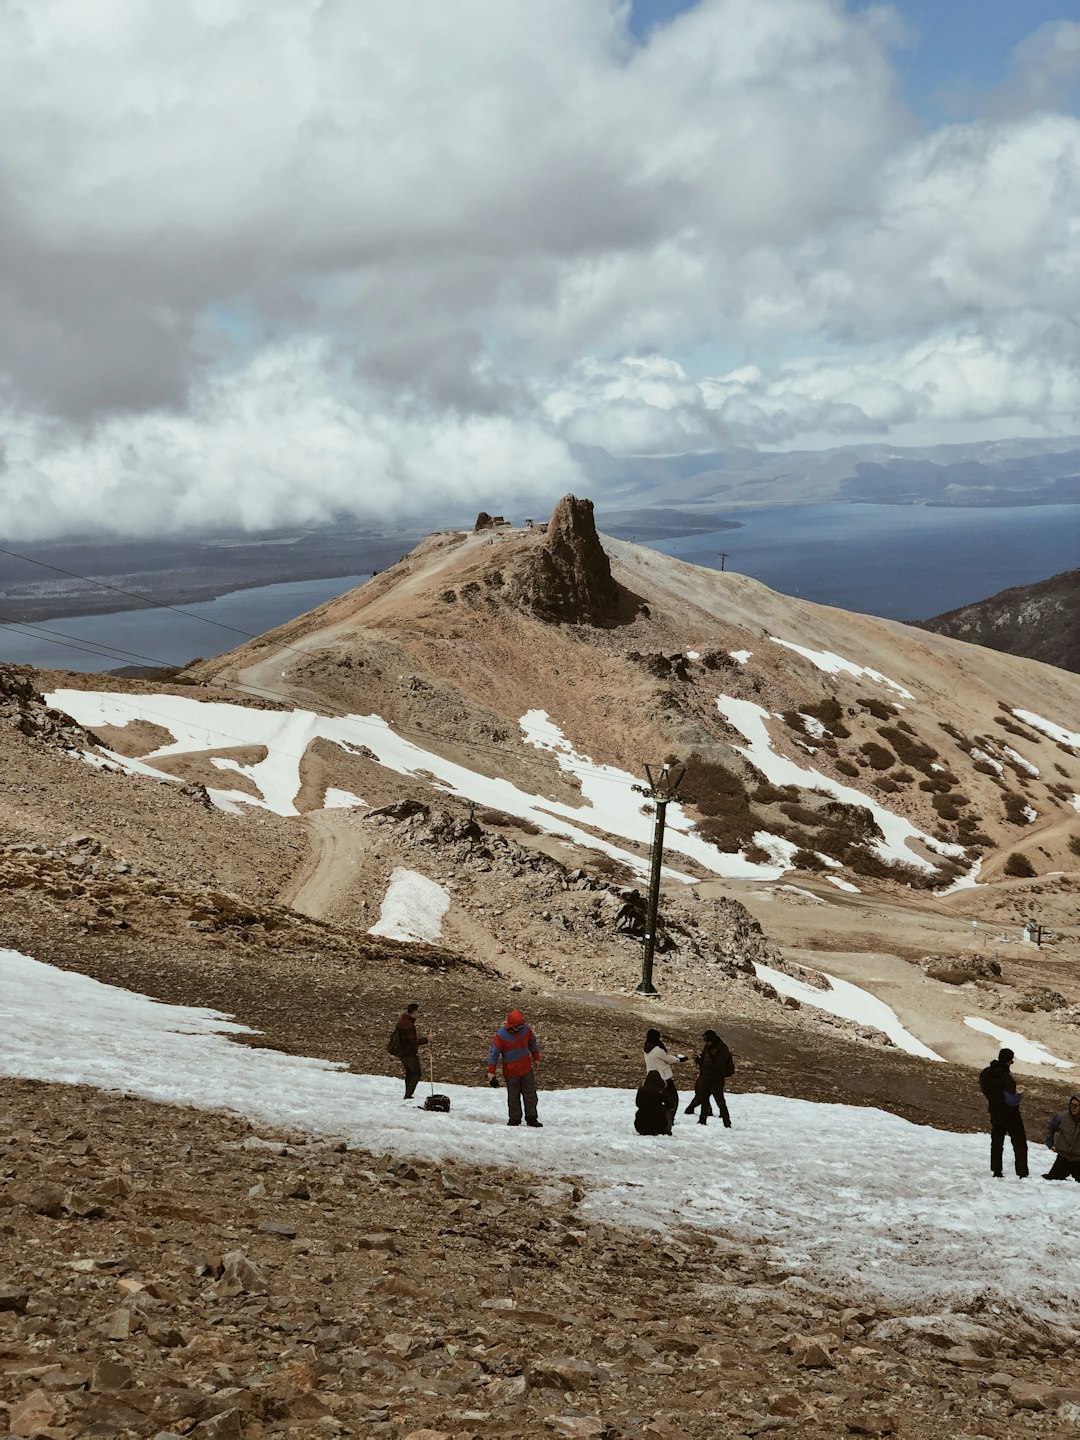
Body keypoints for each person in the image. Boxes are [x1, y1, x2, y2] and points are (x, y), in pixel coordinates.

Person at [979, 1047, 1028, 1178]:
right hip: (1011, 1115)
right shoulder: (1007, 1079)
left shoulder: (986, 1073)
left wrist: (993, 1099)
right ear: (1008, 1061)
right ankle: (1022, 1173)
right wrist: (1020, 1095)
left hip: (995, 1111)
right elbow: (1011, 1101)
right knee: (1020, 1144)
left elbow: (983, 1087)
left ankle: (996, 1171)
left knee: (997, 1143)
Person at [488, 1009, 542, 1127]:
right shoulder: (501, 1036)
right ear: (511, 1026)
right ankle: (515, 1119)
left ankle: (531, 1118)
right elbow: (494, 1054)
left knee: (530, 1095)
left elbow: (532, 1042)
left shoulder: (526, 1030)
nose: (520, 1029)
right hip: (511, 1072)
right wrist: (491, 1072)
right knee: (513, 1097)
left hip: (526, 1069)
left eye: (521, 1026)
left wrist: (536, 1057)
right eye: (518, 1027)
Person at [643, 1028, 687, 1132]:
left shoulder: (647, 1047)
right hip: (664, 1077)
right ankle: (669, 1120)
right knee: (673, 1099)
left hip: (652, 1077)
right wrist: (679, 1059)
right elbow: (668, 1059)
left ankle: (662, 1119)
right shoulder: (657, 1049)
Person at [691, 1029, 734, 1128]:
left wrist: (704, 1063)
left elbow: (718, 1066)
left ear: (713, 1040)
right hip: (705, 1078)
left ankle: (727, 1123)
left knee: (720, 1102)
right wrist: (699, 1060)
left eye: (708, 1041)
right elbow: (705, 1061)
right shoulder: (707, 1047)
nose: (707, 1043)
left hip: (716, 1080)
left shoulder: (723, 1050)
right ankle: (702, 1121)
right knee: (704, 1101)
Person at [391, 1002, 428, 1100]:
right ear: (413, 1012)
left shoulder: (402, 1021)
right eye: (417, 1012)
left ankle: (407, 1094)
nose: (418, 1015)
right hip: (409, 1053)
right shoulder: (408, 1025)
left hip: (401, 1052)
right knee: (416, 1073)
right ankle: (408, 1095)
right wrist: (427, 1040)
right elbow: (412, 1042)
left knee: (410, 1073)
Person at [1043, 1094, 1080, 1181]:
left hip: (1079, 1160)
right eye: (1071, 1105)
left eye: (1076, 1106)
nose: (1073, 1108)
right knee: (1050, 1180)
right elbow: (1050, 1128)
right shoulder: (1062, 1117)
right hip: (1063, 1158)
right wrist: (1050, 1144)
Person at [635, 1071, 672, 1136]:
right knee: (666, 1109)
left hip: (640, 1126)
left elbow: (638, 1103)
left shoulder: (641, 1090)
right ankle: (666, 1129)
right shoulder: (660, 1091)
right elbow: (671, 1104)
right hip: (658, 1126)